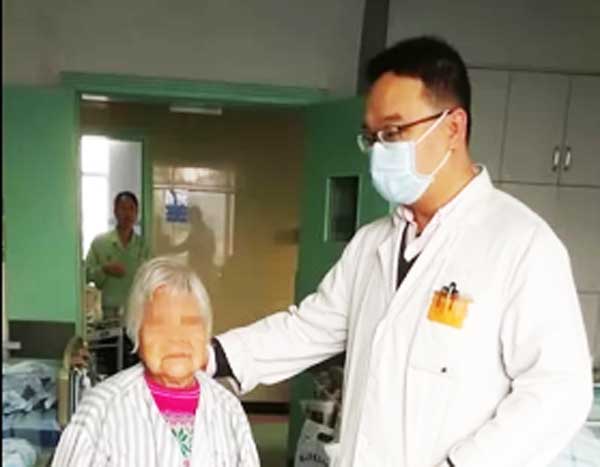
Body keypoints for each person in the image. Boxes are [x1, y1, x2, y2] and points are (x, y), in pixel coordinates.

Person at [207, 36, 593, 467]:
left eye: (393, 133)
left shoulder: (520, 244)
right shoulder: (373, 243)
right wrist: (210, 356)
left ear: (452, 127)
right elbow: (308, 330)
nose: (379, 151)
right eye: (371, 137)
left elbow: (558, 390)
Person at [52, 257, 260, 467]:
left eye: (190, 323)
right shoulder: (101, 408)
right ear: (137, 333)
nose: (176, 338)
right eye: (160, 325)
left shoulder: (228, 408)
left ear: (206, 333)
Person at [85, 191, 150, 318]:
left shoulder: (143, 246)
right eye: (123, 208)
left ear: (137, 213)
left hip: (136, 313)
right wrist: (104, 269)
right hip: (106, 314)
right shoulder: (100, 243)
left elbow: (151, 278)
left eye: (131, 209)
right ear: (115, 211)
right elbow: (86, 274)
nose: (127, 214)